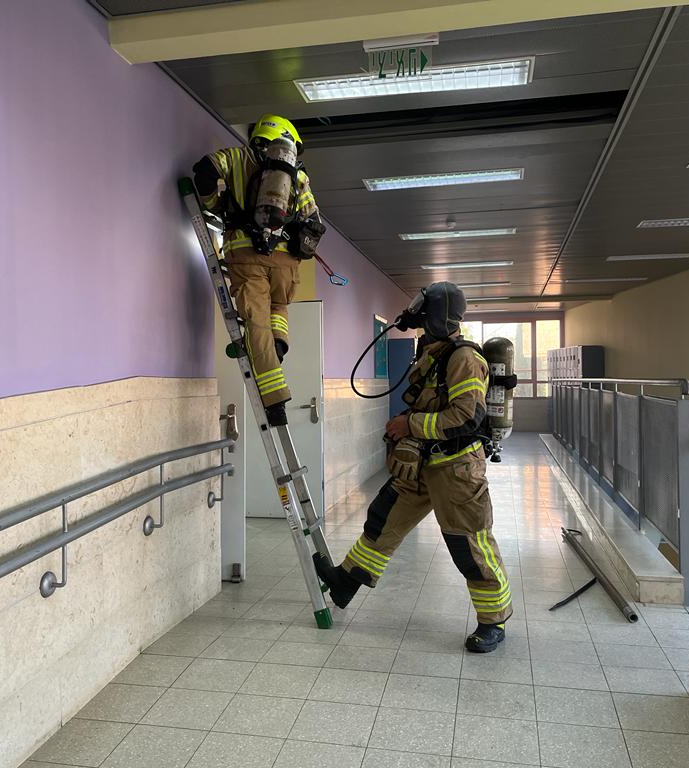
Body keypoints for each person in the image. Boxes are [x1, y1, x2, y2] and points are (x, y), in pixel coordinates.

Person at [315, 282, 513, 652]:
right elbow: (430, 402)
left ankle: (493, 621)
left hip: (456, 469)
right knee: (383, 521)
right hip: (422, 463)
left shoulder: (464, 358)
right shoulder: (433, 353)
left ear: (438, 315)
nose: (417, 317)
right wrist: (407, 430)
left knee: (468, 545)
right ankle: (345, 582)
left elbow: (466, 417)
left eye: (424, 311)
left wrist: (409, 425)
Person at [192, 114, 325, 426]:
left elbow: (204, 171)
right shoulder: (298, 175)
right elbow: (313, 219)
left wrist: (216, 204)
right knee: (278, 305)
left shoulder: (237, 157)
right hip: (286, 263)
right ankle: (277, 344)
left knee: (256, 324)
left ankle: (274, 401)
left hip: (244, 255)